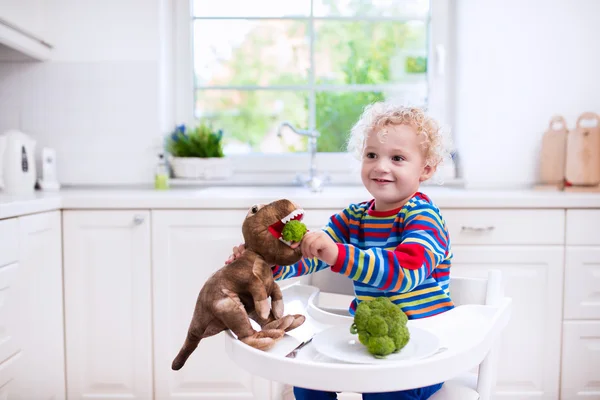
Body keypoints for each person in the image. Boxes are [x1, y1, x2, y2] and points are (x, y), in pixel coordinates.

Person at [226, 102, 454, 400]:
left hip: (422, 352)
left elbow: (405, 272)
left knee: (383, 394)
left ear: (425, 169)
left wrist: (338, 254)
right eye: (372, 155)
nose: (381, 166)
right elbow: (310, 254)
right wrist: (266, 264)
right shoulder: (355, 216)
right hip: (366, 342)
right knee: (307, 381)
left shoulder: (423, 215)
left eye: (398, 158)